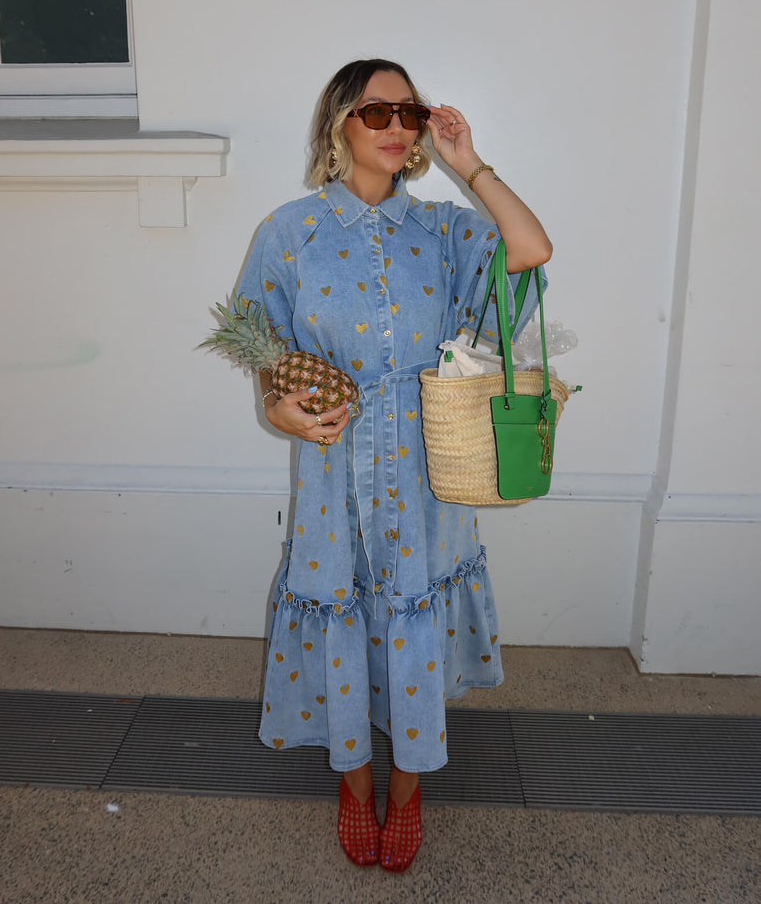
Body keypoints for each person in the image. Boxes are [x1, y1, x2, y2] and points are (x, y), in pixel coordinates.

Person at [235, 58, 552, 872]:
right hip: (333, 461)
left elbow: (530, 249)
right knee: (337, 604)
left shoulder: (443, 230)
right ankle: (353, 780)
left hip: (423, 464)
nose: (398, 127)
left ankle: (407, 789)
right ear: (338, 123)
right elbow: (262, 349)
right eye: (377, 112)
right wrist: (281, 408)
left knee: (410, 611)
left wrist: (469, 162)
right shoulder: (289, 232)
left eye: (408, 113)